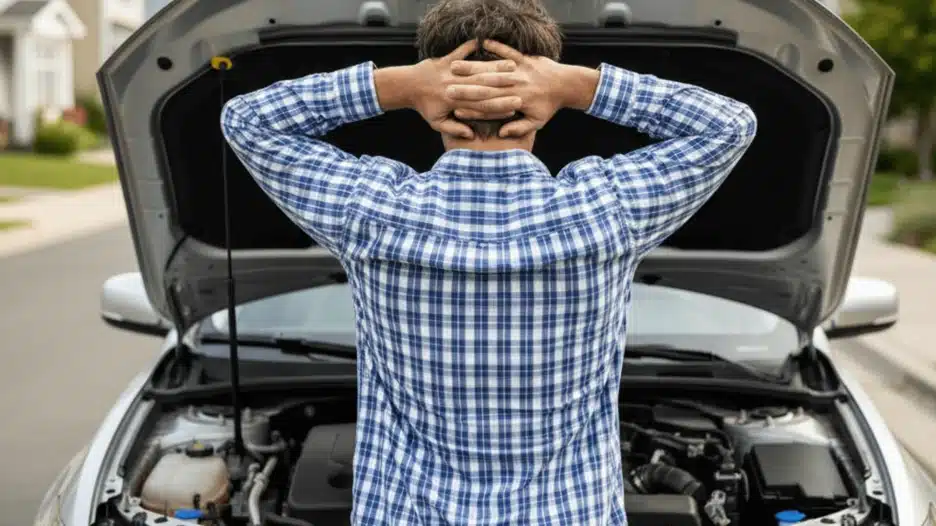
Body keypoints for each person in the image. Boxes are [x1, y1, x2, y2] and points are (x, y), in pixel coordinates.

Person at [220, 0, 757, 523]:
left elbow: (247, 121)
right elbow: (729, 125)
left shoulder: (372, 211)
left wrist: (402, 86)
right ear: (538, 101)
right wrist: (574, 86)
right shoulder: (605, 211)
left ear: (438, 103)